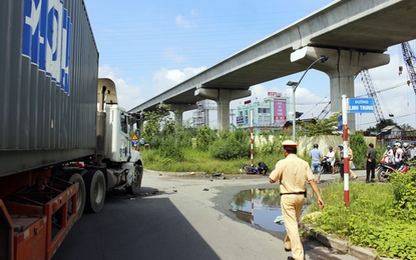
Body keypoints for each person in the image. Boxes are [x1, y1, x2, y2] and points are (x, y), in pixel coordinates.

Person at [269, 140, 324, 260]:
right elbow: (312, 181)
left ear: (285, 151)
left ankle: (298, 256)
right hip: (300, 197)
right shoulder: (304, 163)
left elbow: (272, 179)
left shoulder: (282, 163)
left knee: (291, 225)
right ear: (295, 150)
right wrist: (319, 197)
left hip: (287, 197)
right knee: (293, 222)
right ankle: (288, 244)